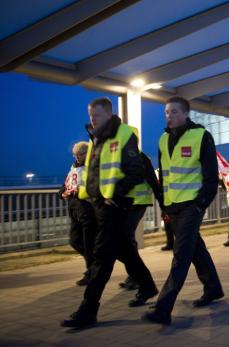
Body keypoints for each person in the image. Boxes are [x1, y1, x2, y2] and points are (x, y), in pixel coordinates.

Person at [62, 97, 158, 328]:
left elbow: (136, 171)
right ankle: (147, 286)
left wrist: (114, 198)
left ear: (108, 114)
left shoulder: (124, 135)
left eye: (96, 116)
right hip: (97, 206)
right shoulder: (97, 138)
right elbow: (94, 174)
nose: (92, 120)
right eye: (90, 116)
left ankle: (88, 310)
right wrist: (91, 197)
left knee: (102, 257)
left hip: (114, 207)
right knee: (124, 250)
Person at [143, 96, 224, 326]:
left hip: (191, 205)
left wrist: (200, 204)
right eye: (167, 112)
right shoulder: (162, 140)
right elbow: (165, 176)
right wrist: (164, 203)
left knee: (181, 256)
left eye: (174, 112)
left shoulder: (201, 136)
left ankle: (163, 307)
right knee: (195, 248)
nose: (169, 116)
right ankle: (213, 288)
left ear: (186, 114)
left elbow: (211, 177)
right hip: (173, 206)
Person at [118, 152, 164, 293]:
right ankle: (135, 276)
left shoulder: (140, 157)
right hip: (123, 204)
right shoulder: (115, 154)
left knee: (125, 239)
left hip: (138, 203)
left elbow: (152, 179)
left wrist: (163, 206)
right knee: (124, 241)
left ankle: (138, 278)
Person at [59, 141, 95, 286]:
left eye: (80, 154)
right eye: (75, 154)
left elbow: (93, 187)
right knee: (75, 241)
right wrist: (62, 192)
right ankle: (94, 266)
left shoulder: (91, 167)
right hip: (75, 210)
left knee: (88, 244)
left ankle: (91, 272)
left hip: (87, 210)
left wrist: (78, 191)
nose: (77, 157)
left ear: (87, 153)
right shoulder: (73, 167)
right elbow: (67, 183)